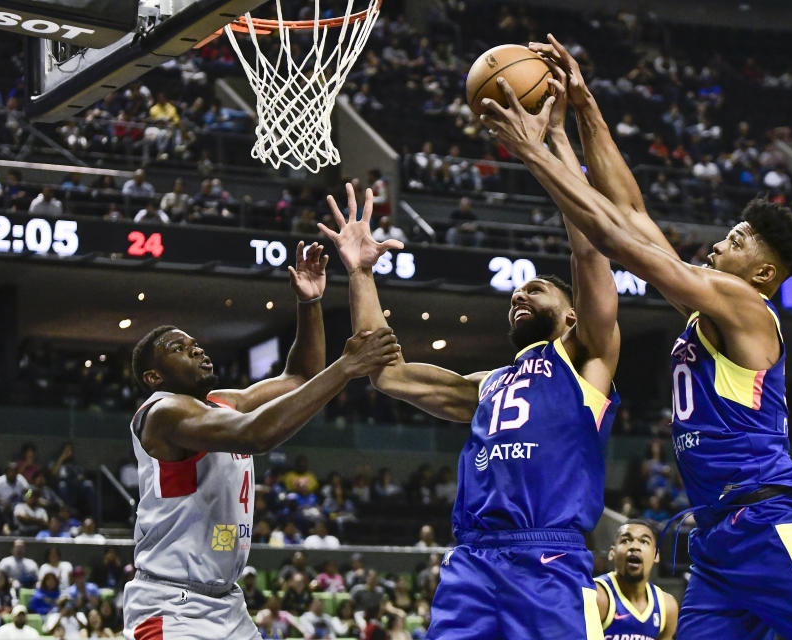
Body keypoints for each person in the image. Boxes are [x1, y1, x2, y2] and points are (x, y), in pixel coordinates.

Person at [478, 33, 792, 639]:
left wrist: (534, 152)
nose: (723, 240)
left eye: (739, 240)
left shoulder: (745, 305)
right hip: (718, 542)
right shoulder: (709, 307)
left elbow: (620, 241)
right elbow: (633, 211)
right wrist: (581, 112)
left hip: (770, 521)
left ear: (764, 273)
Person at [320, 168, 620, 635]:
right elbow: (386, 372)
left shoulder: (586, 364)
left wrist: (561, 176)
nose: (520, 292)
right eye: (518, 291)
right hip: (473, 562)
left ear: (571, 315)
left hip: (548, 556)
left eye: (536, 289)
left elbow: (588, 253)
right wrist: (360, 273)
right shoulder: (487, 383)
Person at [121, 240, 399, 640]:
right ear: (154, 377)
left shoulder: (222, 403)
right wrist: (347, 367)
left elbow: (301, 377)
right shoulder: (163, 413)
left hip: (226, 604)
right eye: (179, 349)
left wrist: (309, 304)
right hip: (172, 606)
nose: (195, 349)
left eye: (194, 343)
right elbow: (257, 434)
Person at [594, 521, 678, 640]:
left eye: (644, 541)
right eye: (625, 540)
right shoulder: (596, 596)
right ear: (612, 553)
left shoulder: (667, 607)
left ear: (656, 555)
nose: (634, 546)